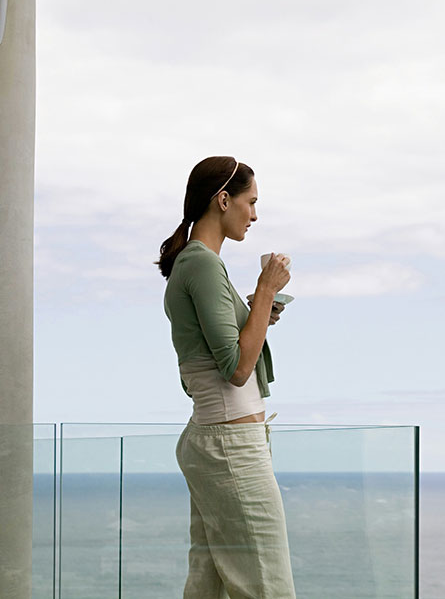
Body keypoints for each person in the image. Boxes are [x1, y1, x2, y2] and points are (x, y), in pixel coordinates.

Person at [157, 156, 296, 598]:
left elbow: (211, 357)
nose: (254, 215)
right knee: (267, 585)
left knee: (208, 582)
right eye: (250, 202)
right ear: (223, 200)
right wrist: (267, 291)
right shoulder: (202, 264)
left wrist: (258, 311)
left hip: (217, 441)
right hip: (230, 446)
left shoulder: (195, 263)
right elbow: (237, 369)